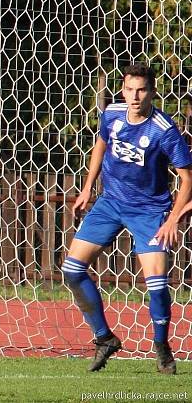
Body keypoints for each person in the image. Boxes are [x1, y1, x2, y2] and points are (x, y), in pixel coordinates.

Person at [64, 63, 192, 375]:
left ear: (152, 92)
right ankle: (104, 338)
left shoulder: (165, 130)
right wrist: (87, 188)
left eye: (142, 90)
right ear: (123, 89)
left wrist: (172, 218)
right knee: (71, 269)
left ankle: (162, 347)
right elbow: (101, 145)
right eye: (130, 89)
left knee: (157, 283)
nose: (135, 96)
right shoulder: (111, 114)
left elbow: (187, 178)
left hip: (150, 211)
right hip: (110, 203)